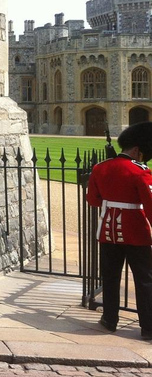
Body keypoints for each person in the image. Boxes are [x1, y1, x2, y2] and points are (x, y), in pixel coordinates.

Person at [87, 121, 152, 340]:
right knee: (144, 280)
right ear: (136, 150)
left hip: (107, 231)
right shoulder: (140, 171)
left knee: (110, 277)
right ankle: (148, 327)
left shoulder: (100, 168)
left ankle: (109, 319)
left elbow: (93, 200)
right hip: (136, 232)